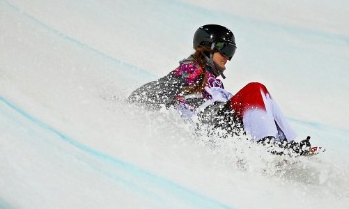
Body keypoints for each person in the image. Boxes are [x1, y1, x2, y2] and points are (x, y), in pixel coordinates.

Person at [128, 24, 315, 156]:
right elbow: (162, 87)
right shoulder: (191, 69)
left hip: (223, 122)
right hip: (212, 123)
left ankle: (286, 143)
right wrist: (130, 103)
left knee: (262, 93)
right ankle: (267, 144)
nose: (227, 58)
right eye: (224, 51)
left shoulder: (212, 80)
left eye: (231, 53)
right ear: (208, 48)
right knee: (255, 89)